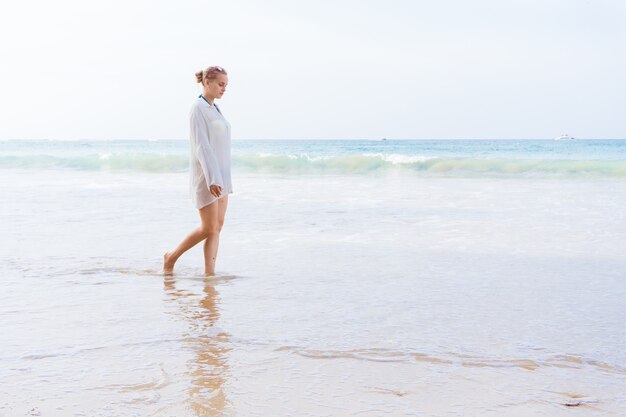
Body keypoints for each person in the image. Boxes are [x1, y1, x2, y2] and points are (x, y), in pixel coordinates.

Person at [164, 66, 232, 275]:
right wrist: (212, 179)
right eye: (221, 84)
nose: (224, 89)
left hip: (221, 176)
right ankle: (171, 257)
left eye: (226, 85)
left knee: (217, 227)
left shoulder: (215, 109)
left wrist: (221, 177)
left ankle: (209, 274)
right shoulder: (198, 109)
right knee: (208, 227)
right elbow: (202, 146)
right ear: (207, 82)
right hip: (207, 177)